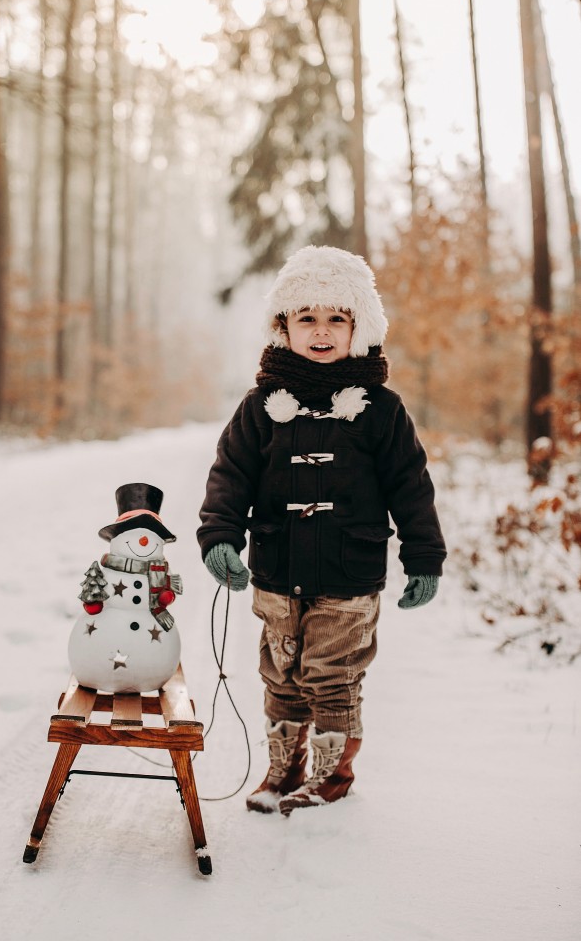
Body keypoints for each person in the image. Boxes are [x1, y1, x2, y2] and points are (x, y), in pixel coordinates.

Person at [197, 245, 446, 816]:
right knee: (281, 673)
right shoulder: (261, 406)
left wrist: (424, 557)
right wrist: (219, 537)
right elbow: (229, 477)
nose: (322, 331)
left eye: (337, 318)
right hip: (278, 568)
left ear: (359, 327)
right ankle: (282, 770)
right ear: (283, 325)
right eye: (307, 317)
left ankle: (332, 776)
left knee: (331, 676)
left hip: (349, 573)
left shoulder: (380, 409)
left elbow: (411, 485)